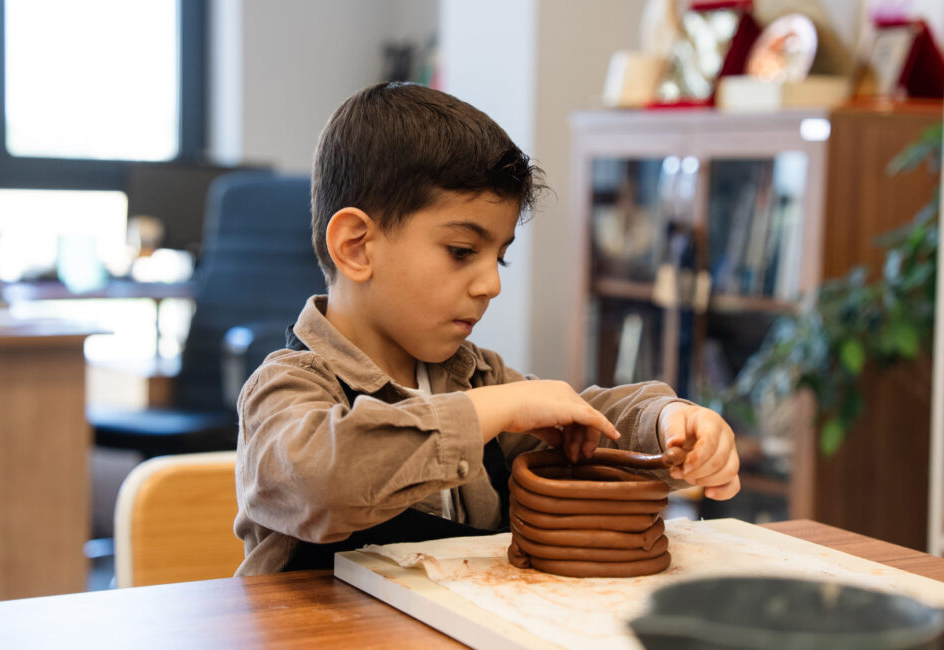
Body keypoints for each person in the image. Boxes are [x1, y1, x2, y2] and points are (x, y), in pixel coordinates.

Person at [233, 82, 740, 576]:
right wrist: (486, 413)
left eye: (500, 257)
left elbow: (579, 430)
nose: (492, 285)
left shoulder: (476, 378)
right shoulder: (286, 388)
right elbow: (318, 481)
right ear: (356, 247)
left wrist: (665, 424)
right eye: (461, 251)